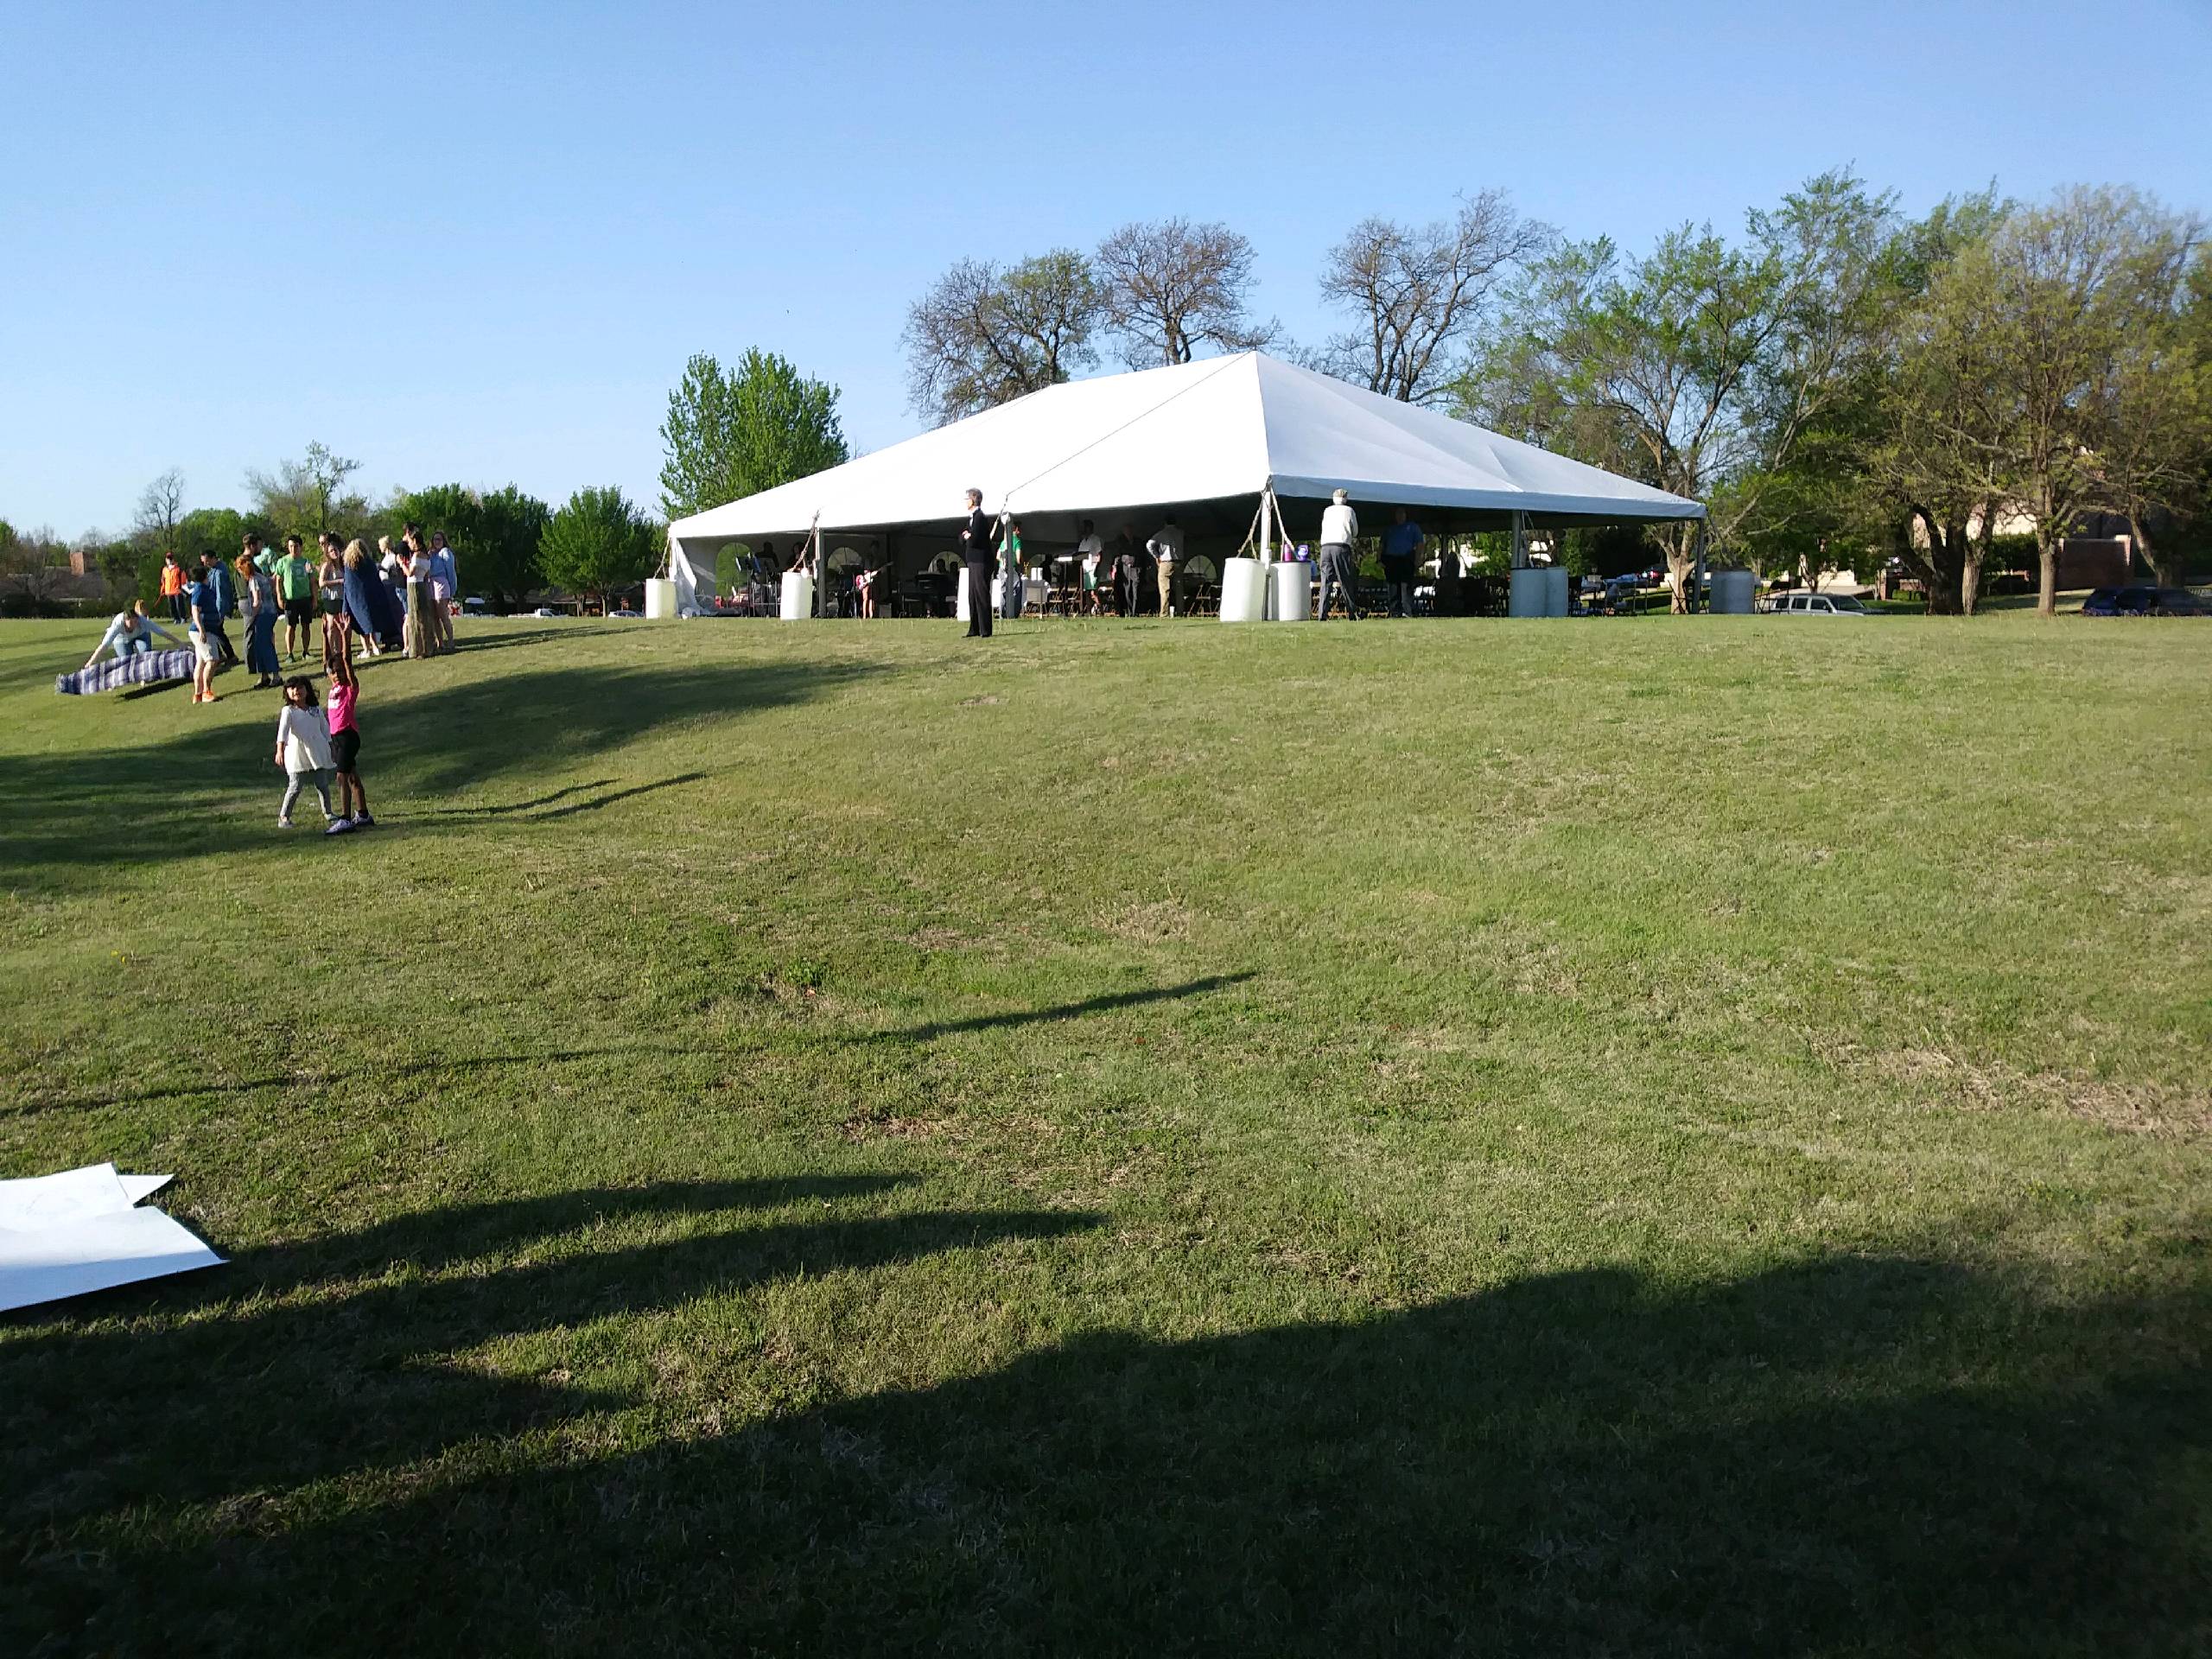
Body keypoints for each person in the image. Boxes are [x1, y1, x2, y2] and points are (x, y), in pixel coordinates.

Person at [324, 620, 374, 831]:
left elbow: (346, 660)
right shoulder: (333, 688)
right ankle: (363, 814)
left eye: (340, 671)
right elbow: (327, 661)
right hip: (336, 738)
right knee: (352, 777)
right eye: (333, 672)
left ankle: (344, 819)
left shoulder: (350, 688)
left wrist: (345, 636)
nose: (337, 674)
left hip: (348, 736)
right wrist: (325, 635)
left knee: (341, 777)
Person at [273, 675, 338, 829]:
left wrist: (331, 747)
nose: (297, 691)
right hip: (297, 754)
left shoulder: (315, 710)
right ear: (287, 692)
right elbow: (283, 732)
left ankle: (328, 812)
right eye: (292, 688)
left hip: (317, 752)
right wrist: (279, 751)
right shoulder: (288, 711)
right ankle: (284, 817)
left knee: (322, 784)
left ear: (307, 690)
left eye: (300, 687)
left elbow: (325, 730)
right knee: (295, 786)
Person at [340, 538, 404, 653]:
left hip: (357, 599)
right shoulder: (368, 563)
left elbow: (348, 585)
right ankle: (374, 647)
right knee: (369, 622)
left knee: (361, 624)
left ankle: (367, 649)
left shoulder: (349, 565)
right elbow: (375, 579)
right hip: (371, 597)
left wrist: (346, 604)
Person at [82, 601, 180, 667]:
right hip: (122, 639)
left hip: (141, 635)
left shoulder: (142, 621)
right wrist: (90, 663)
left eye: (135, 621)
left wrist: (179, 643)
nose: (134, 625)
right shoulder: (117, 625)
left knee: (146, 653)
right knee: (127, 662)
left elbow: (162, 632)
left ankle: (145, 675)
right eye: (131, 623)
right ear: (125, 621)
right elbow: (104, 646)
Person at [1317, 488, 1362, 620]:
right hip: (1341, 546)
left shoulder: (1327, 511)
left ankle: (1322, 614)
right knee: (1345, 580)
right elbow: (1355, 532)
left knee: (1326, 581)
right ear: (1345, 498)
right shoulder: (1349, 510)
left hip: (1325, 547)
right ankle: (1352, 613)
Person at [958, 487, 996, 639]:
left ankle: (985, 629)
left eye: (967, 499)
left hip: (981, 561)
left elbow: (975, 539)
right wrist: (966, 536)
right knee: (972, 595)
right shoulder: (971, 518)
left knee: (981, 594)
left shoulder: (980, 517)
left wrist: (969, 536)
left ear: (973, 500)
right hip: (972, 561)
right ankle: (974, 628)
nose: (965, 502)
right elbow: (961, 538)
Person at [276, 535, 316, 661]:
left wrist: (315, 598)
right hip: (290, 599)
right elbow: (278, 581)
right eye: (291, 546)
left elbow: (312, 582)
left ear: (301, 547)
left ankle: (306, 652)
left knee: (306, 626)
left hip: (305, 598)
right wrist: (279, 597)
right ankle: (290, 654)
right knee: (291, 626)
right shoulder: (283, 562)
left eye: (296, 546)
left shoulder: (306, 562)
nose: (293, 549)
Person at [244, 556, 283, 688]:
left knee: (265, 646)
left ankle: (276, 675)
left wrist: (252, 616)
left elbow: (257, 600)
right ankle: (264, 675)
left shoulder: (253, 580)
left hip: (263, 614)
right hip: (271, 612)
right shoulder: (261, 577)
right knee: (260, 646)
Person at [1382, 506, 1424, 618]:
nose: (1400, 516)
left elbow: (1420, 543)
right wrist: (1379, 559)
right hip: (1391, 560)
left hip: (1406, 559)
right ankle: (1394, 612)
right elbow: (1382, 544)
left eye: (1402, 513)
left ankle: (1407, 611)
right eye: (1398, 514)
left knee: (1406, 586)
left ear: (1406, 515)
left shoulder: (1413, 527)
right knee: (1393, 587)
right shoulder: (1390, 529)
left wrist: (1418, 558)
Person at [199, 550, 239, 664]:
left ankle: (230, 656)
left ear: (213, 559)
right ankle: (222, 655)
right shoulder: (214, 570)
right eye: (203, 562)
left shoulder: (219, 573)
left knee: (217, 632)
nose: (205, 564)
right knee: (216, 631)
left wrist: (220, 613)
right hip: (214, 608)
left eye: (206, 561)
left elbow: (220, 595)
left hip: (217, 609)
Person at [185, 578, 221, 703]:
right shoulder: (200, 590)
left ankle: (198, 694)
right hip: (203, 631)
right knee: (212, 660)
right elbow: (195, 610)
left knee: (201, 662)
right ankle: (206, 692)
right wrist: (201, 630)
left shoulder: (203, 589)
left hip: (205, 630)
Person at [402, 535, 435, 658]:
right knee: (424, 616)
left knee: (415, 617)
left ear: (416, 542)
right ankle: (428, 647)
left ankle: (417, 649)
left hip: (414, 586)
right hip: (422, 585)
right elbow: (427, 574)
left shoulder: (416, 556)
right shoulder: (427, 557)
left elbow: (410, 573)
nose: (409, 544)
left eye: (410, 542)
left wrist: (402, 564)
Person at [427, 529, 458, 652]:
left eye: (439, 539)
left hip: (442, 584)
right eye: (435, 539)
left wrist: (452, 589)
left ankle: (451, 642)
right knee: (434, 617)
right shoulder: (431, 554)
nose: (437, 542)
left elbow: (451, 572)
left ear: (443, 541)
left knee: (443, 615)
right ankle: (440, 643)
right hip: (431, 584)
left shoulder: (445, 553)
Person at [1147, 517, 1184, 618]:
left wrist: (1157, 555)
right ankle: (1180, 612)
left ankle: (1164, 613)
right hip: (1179, 562)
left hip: (1166, 562)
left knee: (1164, 589)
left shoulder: (1161, 534)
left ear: (1165, 522)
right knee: (1179, 589)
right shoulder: (1180, 533)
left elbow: (1149, 544)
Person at [1112, 524, 1144, 617]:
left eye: (1130, 530)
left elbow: (1141, 554)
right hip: (1125, 568)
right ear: (1124, 532)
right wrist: (1114, 566)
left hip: (1136, 567)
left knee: (1136, 591)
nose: (1129, 532)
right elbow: (1117, 555)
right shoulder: (1120, 541)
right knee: (1127, 590)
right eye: (1127, 530)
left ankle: (1135, 612)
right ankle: (1129, 611)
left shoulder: (1138, 541)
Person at [998, 518, 1025, 620]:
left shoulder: (1003, 542)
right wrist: (1021, 562)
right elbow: (1018, 559)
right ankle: (1013, 612)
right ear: (1016, 529)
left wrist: (1003, 561)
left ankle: (1002, 613)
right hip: (1011, 568)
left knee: (1003, 590)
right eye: (1020, 529)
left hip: (1002, 569)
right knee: (1016, 589)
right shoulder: (1017, 541)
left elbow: (998, 556)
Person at [159, 552, 188, 622]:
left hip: (177, 591)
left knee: (179, 606)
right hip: (168, 591)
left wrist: (183, 589)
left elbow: (183, 580)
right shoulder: (164, 570)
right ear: (166, 560)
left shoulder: (178, 569)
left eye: (171, 559)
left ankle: (183, 618)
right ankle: (176, 619)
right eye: (168, 559)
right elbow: (163, 581)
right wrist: (162, 590)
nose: (169, 560)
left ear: (173, 559)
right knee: (172, 607)